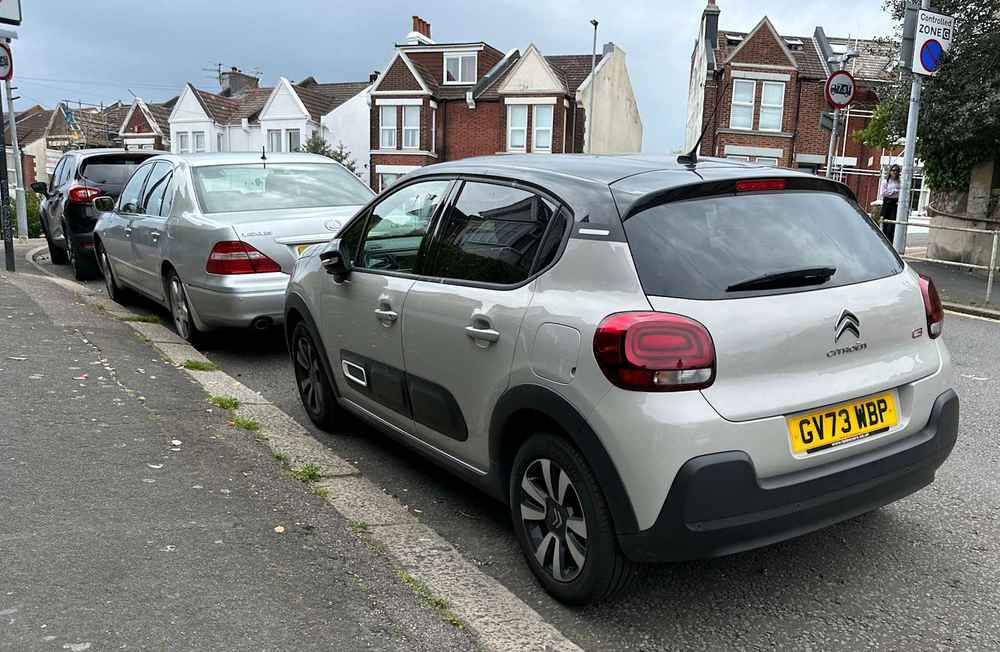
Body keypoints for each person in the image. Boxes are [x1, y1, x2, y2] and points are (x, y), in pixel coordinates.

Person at [879, 164, 901, 242]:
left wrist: (893, 193)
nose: (895, 172)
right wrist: (894, 191)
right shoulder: (885, 182)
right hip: (887, 204)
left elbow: (900, 194)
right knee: (885, 225)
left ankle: (890, 242)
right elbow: (883, 193)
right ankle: (884, 242)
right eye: (893, 170)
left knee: (892, 227)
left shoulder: (900, 182)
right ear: (890, 171)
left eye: (897, 171)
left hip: (895, 205)